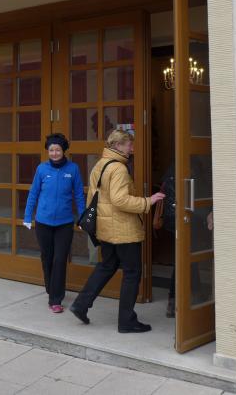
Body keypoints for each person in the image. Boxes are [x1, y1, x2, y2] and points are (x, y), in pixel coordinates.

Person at [69, 129, 165, 333]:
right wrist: (148, 201)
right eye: (129, 144)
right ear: (118, 145)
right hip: (123, 230)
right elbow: (120, 200)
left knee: (107, 265)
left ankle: (81, 304)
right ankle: (126, 321)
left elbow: (93, 198)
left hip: (106, 228)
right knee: (132, 272)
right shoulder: (119, 168)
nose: (132, 148)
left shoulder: (100, 164)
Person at [23, 133, 85, 313]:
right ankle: (51, 288)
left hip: (64, 223)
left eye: (58, 150)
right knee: (47, 257)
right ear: (48, 151)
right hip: (43, 222)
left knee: (60, 259)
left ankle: (55, 299)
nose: (54, 153)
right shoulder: (42, 169)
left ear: (63, 150)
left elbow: (79, 195)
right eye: (51, 150)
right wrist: (27, 216)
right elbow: (33, 193)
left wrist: (82, 217)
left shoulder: (73, 169)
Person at [159, 163, 213, 317]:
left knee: (187, 259)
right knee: (185, 259)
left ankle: (188, 296)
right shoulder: (189, 170)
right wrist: (207, 214)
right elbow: (191, 201)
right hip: (184, 220)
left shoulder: (171, 171)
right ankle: (179, 299)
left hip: (174, 220)